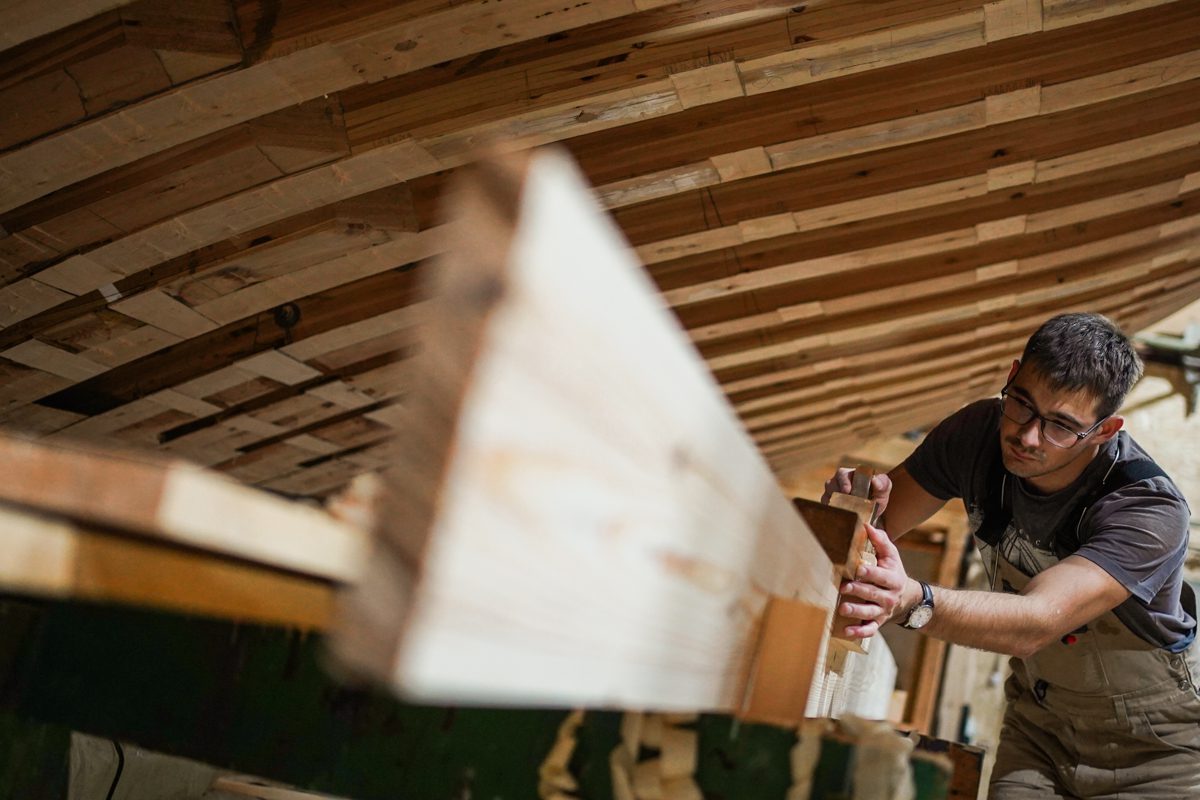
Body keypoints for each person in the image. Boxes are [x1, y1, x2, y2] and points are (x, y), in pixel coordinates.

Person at [822, 312, 1199, 798]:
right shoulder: (976, 435)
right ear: (1013, 375)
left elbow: (1037, 622)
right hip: (1040, 727)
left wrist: (913, 602)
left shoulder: (1147, 509)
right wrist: (848, 516)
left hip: (1156, 751)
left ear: (1105, 431)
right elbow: (875, 532)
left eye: (1061, 426)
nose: (1027, 436)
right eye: (1022, 403)